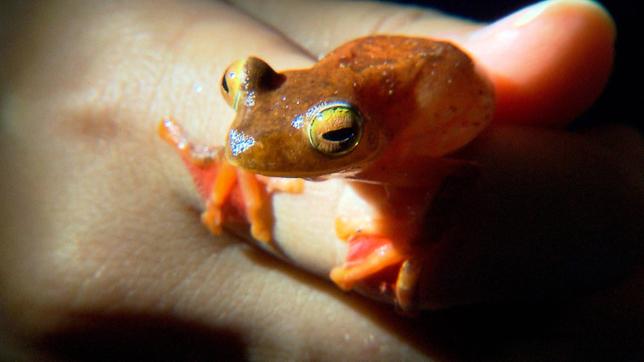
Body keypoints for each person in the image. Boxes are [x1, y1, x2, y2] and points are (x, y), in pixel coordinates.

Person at [1, 0, 641, 359]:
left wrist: (412, 241)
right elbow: (268, 118)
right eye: (235, 88)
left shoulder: (389, 137)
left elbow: (460, 176)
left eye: (335, 137)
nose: (242, 129)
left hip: (430, 104)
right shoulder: (276, 114)